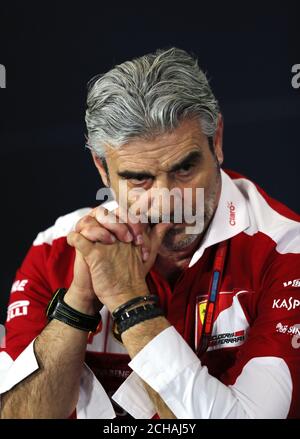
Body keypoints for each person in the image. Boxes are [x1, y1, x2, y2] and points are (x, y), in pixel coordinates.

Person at [0, 47, 299, 419]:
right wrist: (78, 302)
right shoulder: (56, 248)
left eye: (184, 169)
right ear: (103, 170)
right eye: (139, 178)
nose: (168, 200)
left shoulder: (288, 251)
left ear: (217, 141)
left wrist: (129, 302)